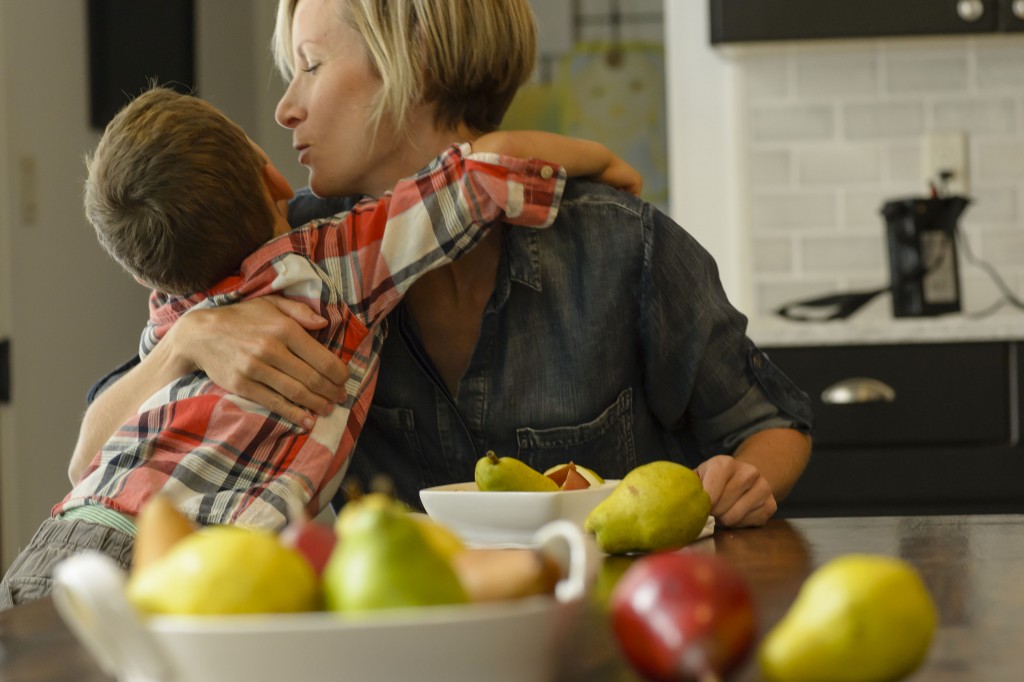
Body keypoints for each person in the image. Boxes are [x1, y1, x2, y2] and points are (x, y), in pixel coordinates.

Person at [78, 0, 814, 534]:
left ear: (415, 60)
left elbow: (773, 424)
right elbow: (89, 452)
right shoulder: (285, 262)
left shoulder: (619, 244)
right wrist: (189, 341)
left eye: (310, 66)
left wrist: (744, 479)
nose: (285, 108)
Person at [1, 86, 635, 609]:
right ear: (269, 170)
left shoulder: (172, 307)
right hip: (197, 567)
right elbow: (480, 172)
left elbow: (87, 463)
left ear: (146, 275)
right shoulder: (333, 265)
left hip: (59, 544)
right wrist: (602, 162)